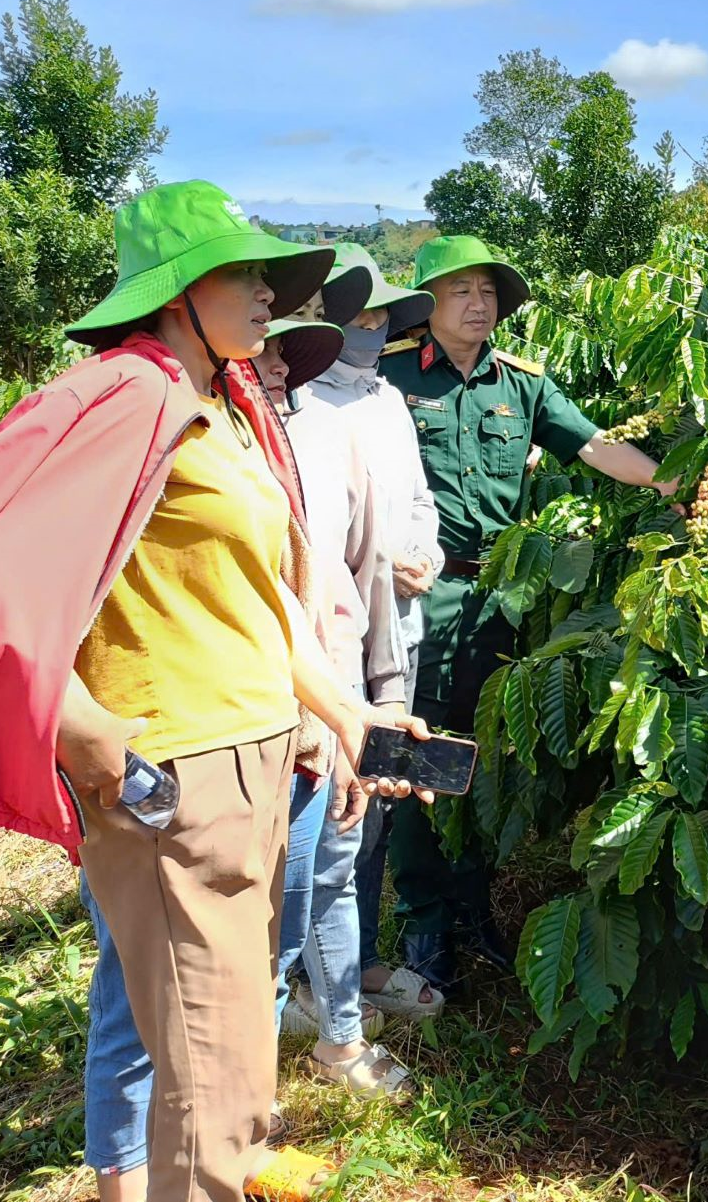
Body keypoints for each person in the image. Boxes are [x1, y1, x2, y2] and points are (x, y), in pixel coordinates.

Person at [0, 180, 430, 1202]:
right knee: (208, 1082)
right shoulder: (128, 393)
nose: (262, 293)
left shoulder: (220, 405)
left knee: (236, 1057)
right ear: (173, 294)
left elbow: (245, 605)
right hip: (180, 773)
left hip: (247, 758)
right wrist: (85, 731)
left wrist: (347, 713)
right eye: (238, 274)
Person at [379, 235, 682, 989]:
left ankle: (474, 902)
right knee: (417, 748)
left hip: (500, 595)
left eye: (488, 292)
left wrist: (669, 481)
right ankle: (423, 920)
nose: (478, 305)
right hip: (418, 591)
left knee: (486, 749)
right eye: (460, 292)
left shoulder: (522, 386)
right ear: (428, 303)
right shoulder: (386, 380)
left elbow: (592, 445)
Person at [257, 315, 417, 1098]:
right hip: (266, 714)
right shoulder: (214, 448)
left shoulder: (328, 432)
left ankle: (341, 1035)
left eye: (288, 346)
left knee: (337, 867)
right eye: (266, 343)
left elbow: (368, 568)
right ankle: (247, 1078)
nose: (278, 361)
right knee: (270, 907)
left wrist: (378, 694)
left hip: (337, 698)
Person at [304, 244, 448, 1021]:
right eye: (355, 314)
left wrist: (421, 552)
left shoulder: (389, 400)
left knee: (380, 793)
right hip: (339, 637)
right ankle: (308, 971)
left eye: (379, 316)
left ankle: (352, 958)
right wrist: (377, 565)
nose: (370, 327)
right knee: (335, 797)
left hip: (403, 630)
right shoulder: (304, 402)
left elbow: (418, 498)